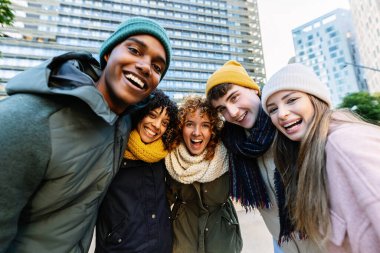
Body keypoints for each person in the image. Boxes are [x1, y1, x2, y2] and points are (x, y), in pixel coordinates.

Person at [0, 17, 172, 253]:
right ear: (108, 54)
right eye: (134, 50)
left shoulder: (124, 123)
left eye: (157, 67)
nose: (145, 66)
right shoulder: (27, 119)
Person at [261, 63, 380, 252]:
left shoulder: (344, 142)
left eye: (291, 100)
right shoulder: (308, 154)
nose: (282, 114)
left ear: (315, 99)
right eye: (273, 109)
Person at [205, 60, 321, 253]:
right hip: (282, 244)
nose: (232, 113)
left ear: (253, 89)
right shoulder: (233, 143)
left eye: (234, 98)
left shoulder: (291, 124)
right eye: (222, 109)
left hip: (324, 242)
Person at [95, 89, 178, 253]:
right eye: (153, 115)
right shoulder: (111, 150)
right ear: (140, 113)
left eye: (164, 122)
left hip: (162, 247)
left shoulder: (164, 156)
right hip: (119, 248)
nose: (157, 125)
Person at [165, 96, 243, 253]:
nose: (196, 132)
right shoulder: (171, 158)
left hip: (221, 238)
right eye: (189, 124)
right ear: (181, 127)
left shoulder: (227, 155)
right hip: (183, 238)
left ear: (213, 130)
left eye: (205, 125)